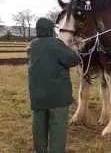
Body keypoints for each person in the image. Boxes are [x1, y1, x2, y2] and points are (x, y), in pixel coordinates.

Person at [27, 18, 81, 153]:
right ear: (51, 30)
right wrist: (75, 48)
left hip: (37, 97)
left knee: (39, 128)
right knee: (57, 132)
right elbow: (74, 60)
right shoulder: (56, 44)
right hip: (58, 99)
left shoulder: (32, 45)